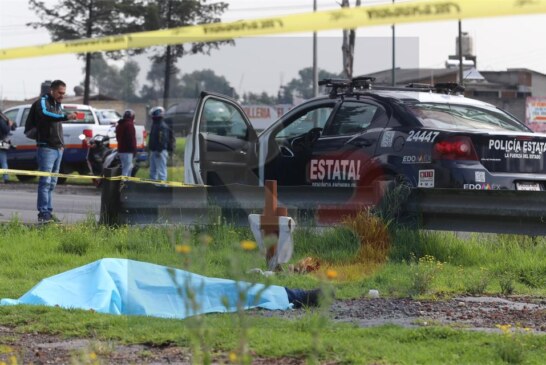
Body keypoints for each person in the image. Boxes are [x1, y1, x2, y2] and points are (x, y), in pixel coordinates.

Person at [25, 80, 76, 223]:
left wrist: (61, 145)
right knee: (45, 182)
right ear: (52, 90)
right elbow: (45, 115)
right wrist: (66, 116)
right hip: (46, 147)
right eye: (60, 93)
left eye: (64, 93)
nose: (62, 96)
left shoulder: (57, 104)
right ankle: (43, 213)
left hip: (58, 148)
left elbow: (56, 123)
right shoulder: (42, 102)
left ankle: (48, 210)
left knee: (52, 183)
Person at [148, 106, 174, 181]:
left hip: (160, 151)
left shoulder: (162, 126)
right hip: (154, 150)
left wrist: (159, 150)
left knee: (161, 171)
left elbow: (163, 139)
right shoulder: (155, 124)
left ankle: (163, 188)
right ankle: (153, 186)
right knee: (153, 171)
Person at [115, 109, 137, 177]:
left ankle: (126, 183)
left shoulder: (120, 124)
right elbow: (131, 139)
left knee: (127, 167)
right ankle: (124, 185)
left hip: (121, 149)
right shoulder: (129, 125)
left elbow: (117, 137)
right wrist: (134, 150)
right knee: (126, 169)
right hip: (128, 150)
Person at [0, 110, 17, 184]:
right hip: (1, 142)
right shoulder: (1, 119)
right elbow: (7, 130)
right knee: (3, 161)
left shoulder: (3, 118)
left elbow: (14, 126)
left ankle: (5, 177)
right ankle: (5, 178)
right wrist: (9, 125)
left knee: (3, 160)